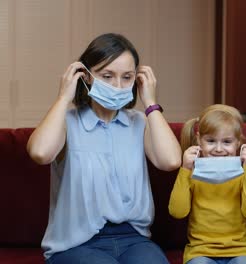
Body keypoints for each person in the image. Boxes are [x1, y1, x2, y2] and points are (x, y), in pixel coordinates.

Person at [27, 33, 181, 264]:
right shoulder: (67, 122)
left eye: (127, 77)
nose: (117, 86)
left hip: (134, 239)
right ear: (86, 77)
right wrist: (63, 97)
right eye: (107, 76)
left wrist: (150, 102)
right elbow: (40, 153)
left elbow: (170, 161)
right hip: (76, 243)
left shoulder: (140, 122)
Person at [168, 104, 246, 264]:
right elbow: (177, 212)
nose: (219, 149)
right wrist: (185, 169)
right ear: (199, 140)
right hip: (200, 251)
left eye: (227, 142)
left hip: (240, 250)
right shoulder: (192, 172)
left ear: (238, 143)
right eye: (211, 141)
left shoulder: (244, 172)